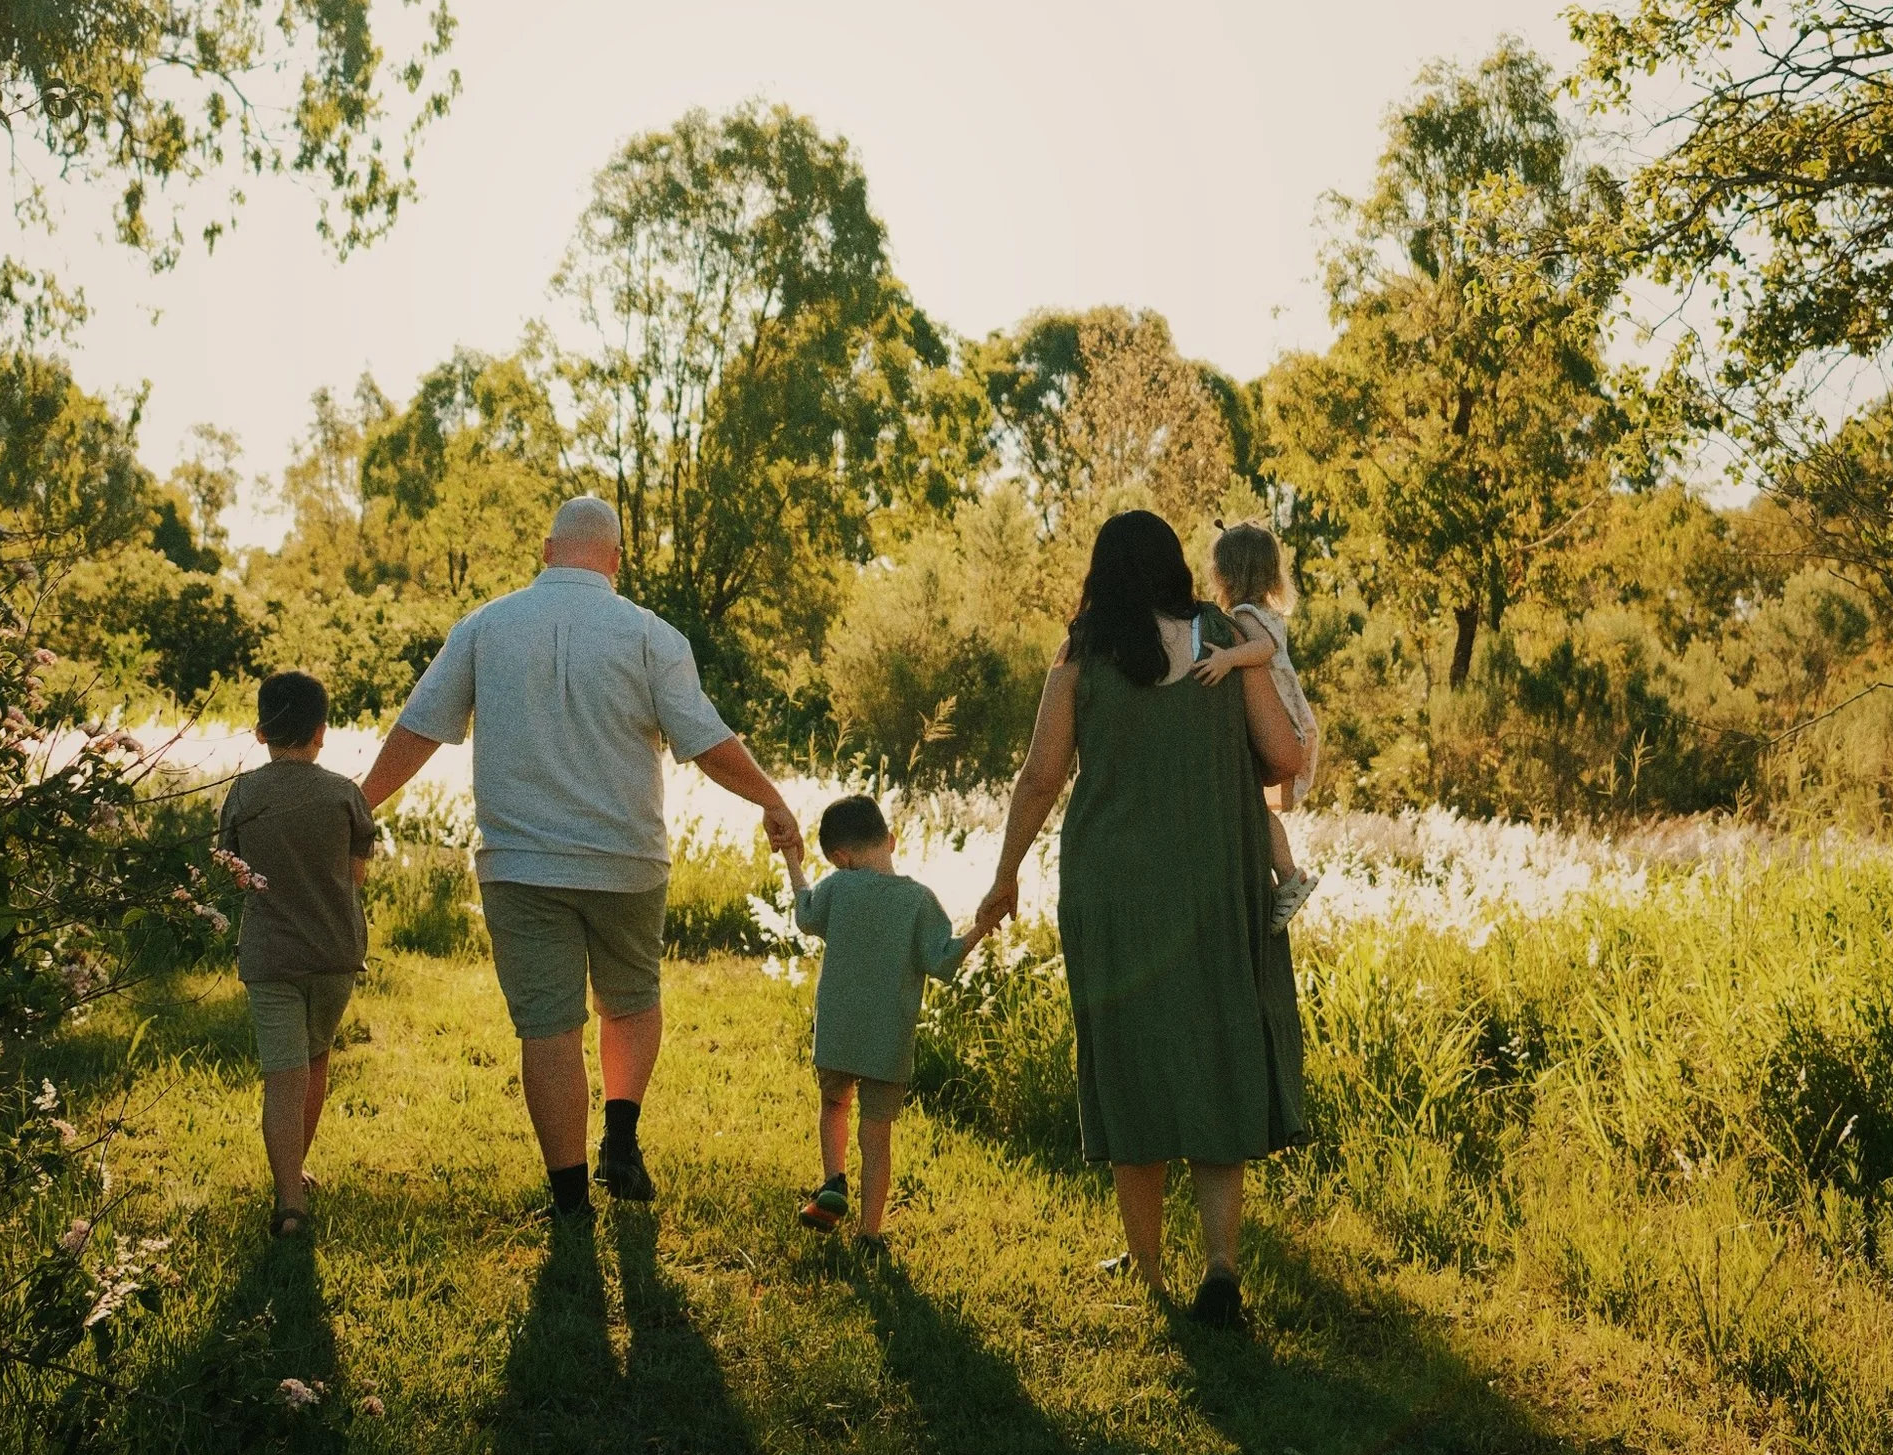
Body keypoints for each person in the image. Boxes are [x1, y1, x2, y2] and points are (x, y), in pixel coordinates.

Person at [358, 495, 804, 1218]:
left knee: (549, 1027)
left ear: (546, 549)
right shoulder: (651, 635)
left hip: (520, 864)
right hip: (626, 863)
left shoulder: (485, 625)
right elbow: (704, 739)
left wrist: (357, 805)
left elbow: (421, 728)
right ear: (617, 560)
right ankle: (620, 1141)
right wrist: (771, 799)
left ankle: (569, 1199)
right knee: (631, 1001)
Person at [972, 509, 1313, 1329]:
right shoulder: (1225, 638)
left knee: (1130, 1065)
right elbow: (1286, 755)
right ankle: (1222, 1264)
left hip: (1115, 892)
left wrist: (1005, 874)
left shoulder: (1082, 657)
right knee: (1218, 1053)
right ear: (1173, 568)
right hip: (1215, 884)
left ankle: (1151, 1270)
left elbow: (1039, 779)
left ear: (1103, 572)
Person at [784, 795, 988, 1252]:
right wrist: (980, 927)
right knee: (877, 1138)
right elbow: (943, 961)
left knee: (834, 1104)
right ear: (891, 840)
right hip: (887, 1043)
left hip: (837, 1035)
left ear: (841, 857)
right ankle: (870, 1234)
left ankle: (833, 1181)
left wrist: (793, 862)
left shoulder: (838, 886)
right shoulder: (919, 901)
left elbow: (805, 914)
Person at [215, 667, 378, 1239]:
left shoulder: (242, 794)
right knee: (314, 1061)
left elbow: (233, 870)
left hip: (271, 955)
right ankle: (296, 1172)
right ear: (322, 732)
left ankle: (289, 1200)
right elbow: (355, 875)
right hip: (336, 952)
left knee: (282, 1076)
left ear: (261, 732)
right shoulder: (345, 794)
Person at [1193, 520, 1321, 927]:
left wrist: (1226, 659)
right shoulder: (1265, 612)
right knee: (1257, 809)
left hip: (1283, 723)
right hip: (1294, 721)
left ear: (1226, 573)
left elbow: (1262, 650)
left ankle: (1288, 876)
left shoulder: (1247, 616)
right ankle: (1284, 877)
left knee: (1255, 808)